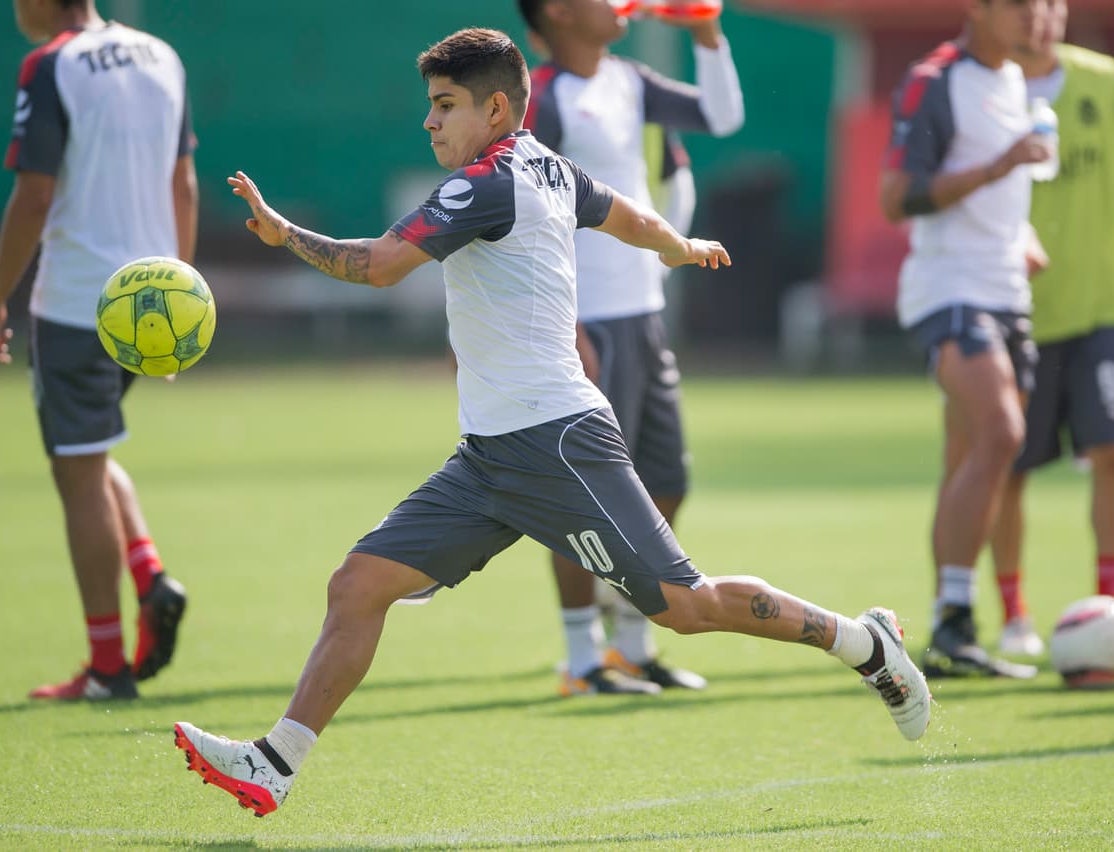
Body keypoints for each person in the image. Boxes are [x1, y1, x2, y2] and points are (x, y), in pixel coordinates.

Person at [172, 27, 929, 818]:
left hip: (559, 444)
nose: (429, 123)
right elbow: (624, 212)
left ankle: (865, 642)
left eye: (444, 106)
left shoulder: (485, 183)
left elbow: (379, 266)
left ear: (496, 108)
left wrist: (283, 233)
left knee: (689, 608)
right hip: (490, 459)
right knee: (358, 585)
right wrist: (678, 244)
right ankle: (275, 762)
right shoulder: (550, 167)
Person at [0, 0, 196, 700]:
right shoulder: (161, 55)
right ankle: (149, 575)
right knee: (91, 454)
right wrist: (182, 305)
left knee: (77, 472)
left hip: (77, 303)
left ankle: (106, 668)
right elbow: (182, 185)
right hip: (152, 302)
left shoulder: (50, 63)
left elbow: (34, 197)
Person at [518, 0, 745, 696]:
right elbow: (526, 211)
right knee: (583, 497)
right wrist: (568, 323)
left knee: (666, 483)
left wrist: (707, 32)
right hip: (587, 323)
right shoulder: (546, 97)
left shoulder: (629, 79)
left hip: (644, 316)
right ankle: (581, 660)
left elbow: (721, 116)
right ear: (557, 12)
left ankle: (633, 646)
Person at [879, 0, 1053, 678]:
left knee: (970, 457)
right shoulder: (936, 79)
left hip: (1009, 294)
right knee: (1004, 433)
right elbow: (896, 197)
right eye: (1021, 5)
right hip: (950, 292)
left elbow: (1002, 197)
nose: (1036, 16)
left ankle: (950, 624)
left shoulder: (1016, 78)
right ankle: (957, 621)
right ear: (977, 8)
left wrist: (1022, 237)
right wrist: (1001, 164)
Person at [988, 0, 1114, 654]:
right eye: (1032, 6)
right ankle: (1013, 613)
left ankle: (1110, 604)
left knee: (1112, 451)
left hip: (1099, 306)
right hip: (1019, 309)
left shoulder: (1101, 78)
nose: (1045, 17)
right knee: (1012, 465)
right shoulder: (986, 89)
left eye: (1055, 4)